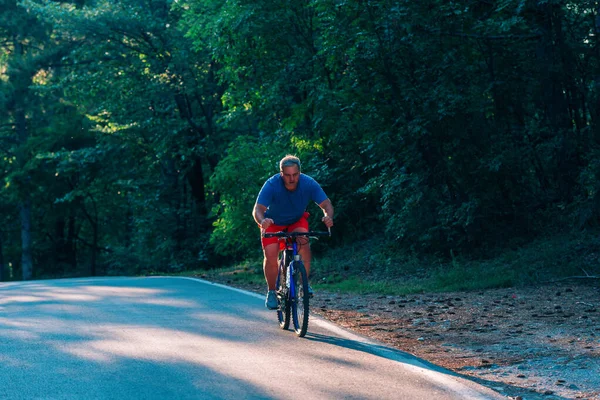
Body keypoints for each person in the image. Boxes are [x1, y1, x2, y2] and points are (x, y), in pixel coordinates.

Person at [252, 155, 334, 309]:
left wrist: (328, 216)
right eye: (288, 175)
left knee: (304, 242)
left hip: (296, 220)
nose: (292, 179)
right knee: (270, 255)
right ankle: (271, 291)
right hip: (273, 222)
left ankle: (304, 284)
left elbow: (326, 204)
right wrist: (262, 221)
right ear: (281, 174)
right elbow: (258, 209)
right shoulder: (271, 184)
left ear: (300, 172)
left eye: (295, 175)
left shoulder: (308, 183)